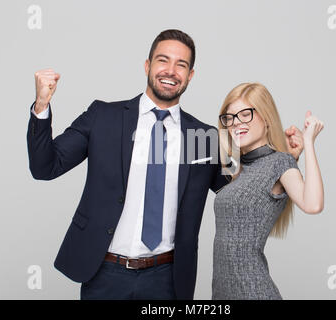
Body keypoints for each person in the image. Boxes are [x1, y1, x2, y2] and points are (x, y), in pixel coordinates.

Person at [27, 30, 304, 300]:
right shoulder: (104, 117)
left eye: (181, 64)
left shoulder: (205, 137)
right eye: (163, 60)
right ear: (148, 65)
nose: (170, 71)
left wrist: (285, 158)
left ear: (190, 75)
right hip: (103, 273)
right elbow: (45, 167)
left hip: (167, 279)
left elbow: (243, 188)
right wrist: (42, 106)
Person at [213, 82, 324, 300]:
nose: (236, 123)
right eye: (230, 117)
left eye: (245, 114)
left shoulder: (280, 163)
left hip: (253, 292)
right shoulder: (237, 169)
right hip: (222, 294)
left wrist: (309, 142)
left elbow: (313, 204)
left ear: (266, 118)